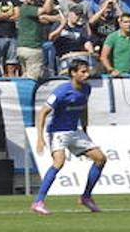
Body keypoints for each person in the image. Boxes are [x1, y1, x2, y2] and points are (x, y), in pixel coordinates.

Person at [31, 58, 106, 216]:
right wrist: (40, 137)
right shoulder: (62, 91)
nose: (87, 75)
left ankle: (86, 197)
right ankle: (38, 202)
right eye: (83, 72)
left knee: (100, 158)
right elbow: (43, 112)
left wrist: (85, 129)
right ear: (73, 73)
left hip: (75, 131)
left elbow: (83, 108)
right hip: (57, 132)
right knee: (59, 162)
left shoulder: (86, 89)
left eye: (87, 71)